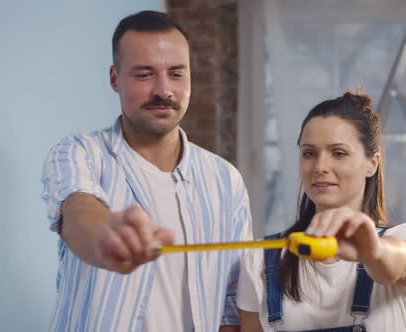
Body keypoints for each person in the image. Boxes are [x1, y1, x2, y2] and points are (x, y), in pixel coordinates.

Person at [41, 10, 251, 332]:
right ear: (114, 79)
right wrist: (107, 234)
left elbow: (230, 305)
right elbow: (78, 212)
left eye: (177, 74)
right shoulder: (78, 153)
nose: (163, 90)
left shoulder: (226, 180)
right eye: (144, 74)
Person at [237, 91, 406, 331]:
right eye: (309, 153)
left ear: (372, 163)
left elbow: (403, 264)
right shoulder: (259, 259)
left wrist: (373, 251)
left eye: (339, 153)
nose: (320, 167)